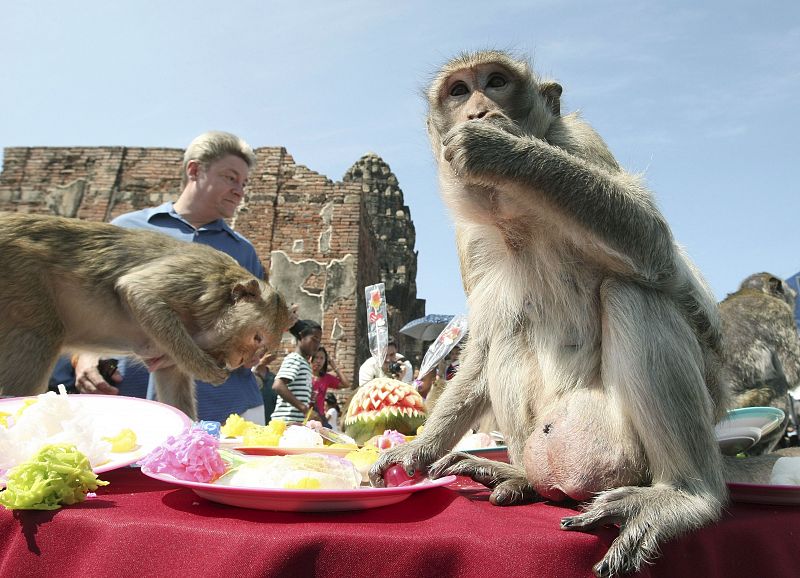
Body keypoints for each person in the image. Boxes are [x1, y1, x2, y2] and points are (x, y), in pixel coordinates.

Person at [72, 130, 268, 424]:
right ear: (195, 170)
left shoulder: (243, 253)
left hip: (223, 409)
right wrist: (83, 356)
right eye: (230, 177)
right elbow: (82, 308)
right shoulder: (127, 229)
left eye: (243, 183)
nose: (240, 190)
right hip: (129, 402)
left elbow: (259, 334)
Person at [271, 320, 322, 423]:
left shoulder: (305, 364)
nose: (317, 345)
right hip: (285, 422)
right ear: (302, 336)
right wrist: (305, 409)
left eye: (319, 341)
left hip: (295, 423)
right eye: (314, 339)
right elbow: (278, 385)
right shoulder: (295, 359)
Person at [310, 346, 350, 416]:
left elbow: (346, 384)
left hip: (319, 417)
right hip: (302, 415)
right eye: (316, 357)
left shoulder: (326, 378)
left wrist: (334, 366)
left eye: (322, 358)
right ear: (311, 358)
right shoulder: (304, 374)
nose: (319, 361)